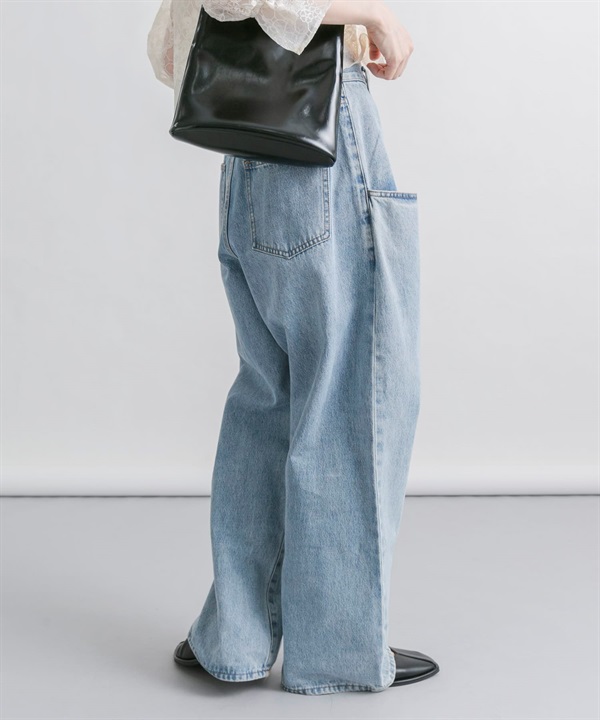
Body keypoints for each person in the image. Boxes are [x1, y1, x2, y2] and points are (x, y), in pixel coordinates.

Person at [147, 0, 439, 696]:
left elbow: (172, 47)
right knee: (350, 397)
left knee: (269, 400)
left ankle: (236, 637)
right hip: (319, 129)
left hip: (250, 138)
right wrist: (372, 16)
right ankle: (339, 651)